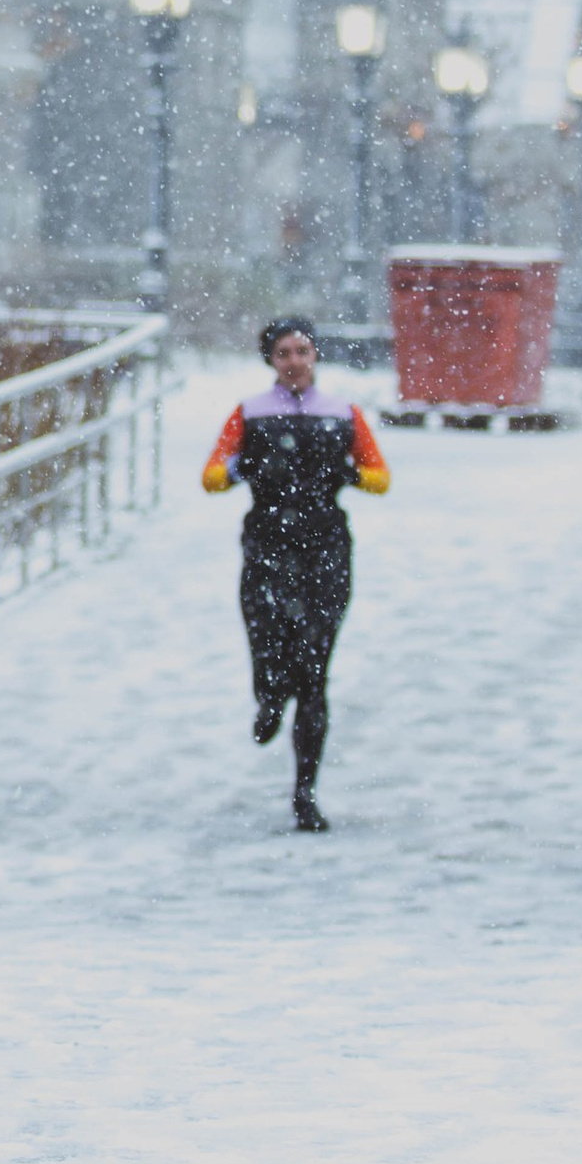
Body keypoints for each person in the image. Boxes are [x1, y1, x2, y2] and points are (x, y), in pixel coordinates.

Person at [200, 316, 390, 832]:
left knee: (314, 669)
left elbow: (381, 477)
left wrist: (348, 473)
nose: (294, 362)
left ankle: (305, 791)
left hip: (324, 548)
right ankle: (267, 696)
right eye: (283, 353)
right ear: (270, 360)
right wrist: (245, 469)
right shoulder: (250, 413)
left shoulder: (342, 414)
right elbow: (212, 476)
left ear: (315, 356)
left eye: (303, 351)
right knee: (267, 641)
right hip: (267, 543)